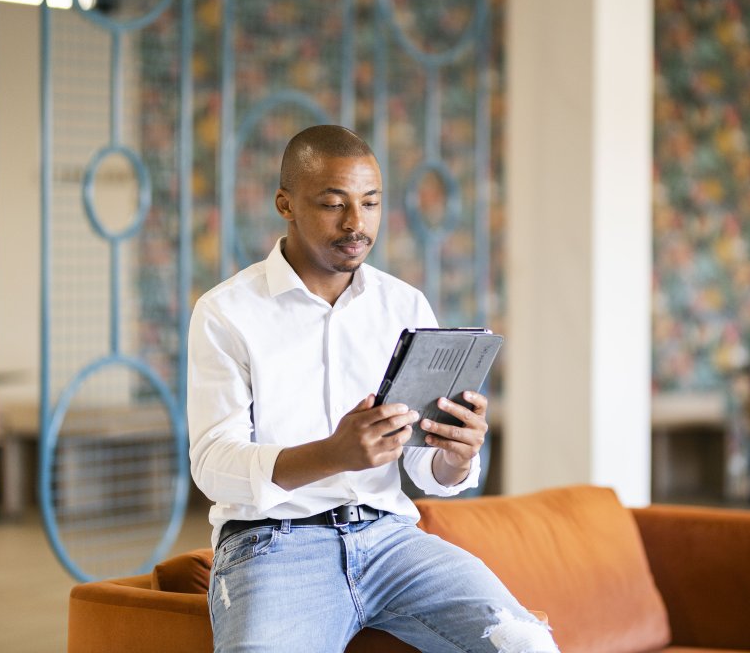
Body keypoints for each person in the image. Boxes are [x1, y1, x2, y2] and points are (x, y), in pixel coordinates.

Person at [188, 125, 558, 653]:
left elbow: (420, 462)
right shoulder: (226, 313)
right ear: (285, 204)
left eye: (370, 203)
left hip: (391, 541)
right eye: (334, 204)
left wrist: (455, 455)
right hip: (273, 545)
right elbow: (213, 466)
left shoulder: (403, 305)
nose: (356, 224)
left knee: (527, 644)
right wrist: (332, 455)